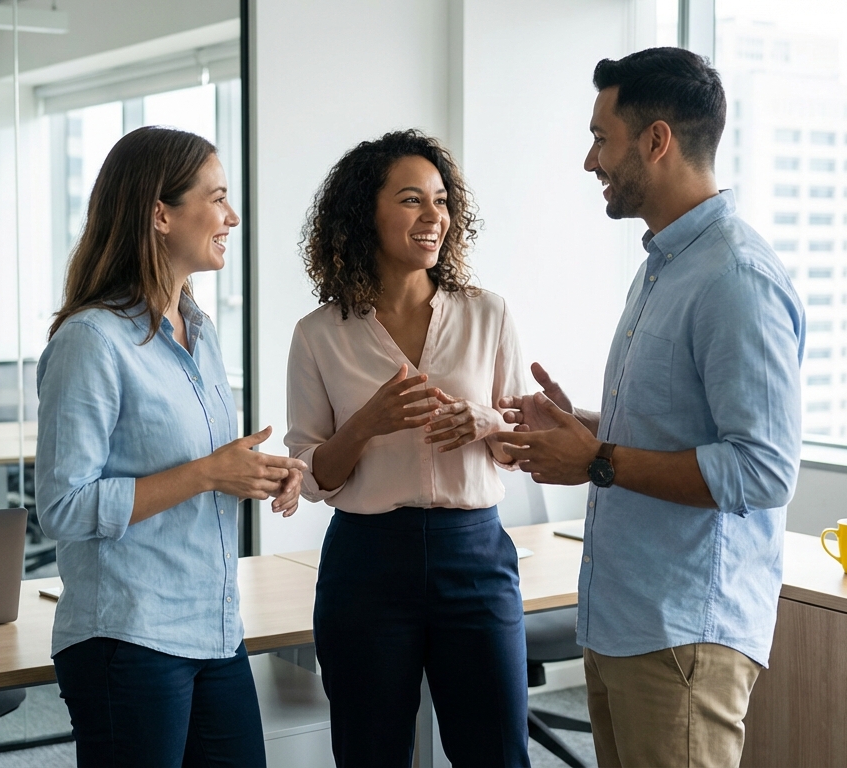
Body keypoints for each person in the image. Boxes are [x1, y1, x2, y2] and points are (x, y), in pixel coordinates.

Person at [492, 48, 805, 768]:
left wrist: (597, 460)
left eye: (602, 137)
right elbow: (680, 430)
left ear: (656, 140)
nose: (589, 160)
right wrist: (586, 429)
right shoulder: (664, 266)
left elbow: (761, 471)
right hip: (625, 624)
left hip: (685, 635)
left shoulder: (735, 278)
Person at [36, 126, 306, 768]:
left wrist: (257, 473)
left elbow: (200, 469)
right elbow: (63, 508)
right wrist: (211, 473)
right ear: (161, 214)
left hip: (213, 628)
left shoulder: (201, 331)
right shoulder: (91, 341)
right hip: (127, 636)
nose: (231, 217)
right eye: (215, 198)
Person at [285, 129, 532, 767]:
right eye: (411, 200)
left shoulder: (488, 314)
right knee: (371, 755)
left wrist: (485, 420)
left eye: (442, 200)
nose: (434, 217)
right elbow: (313, 474)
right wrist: (365, 423)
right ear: (365, 212)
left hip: (473, 556)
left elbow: (523, 439)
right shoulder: (318, 335)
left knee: (499, 755)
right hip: (367, 565)